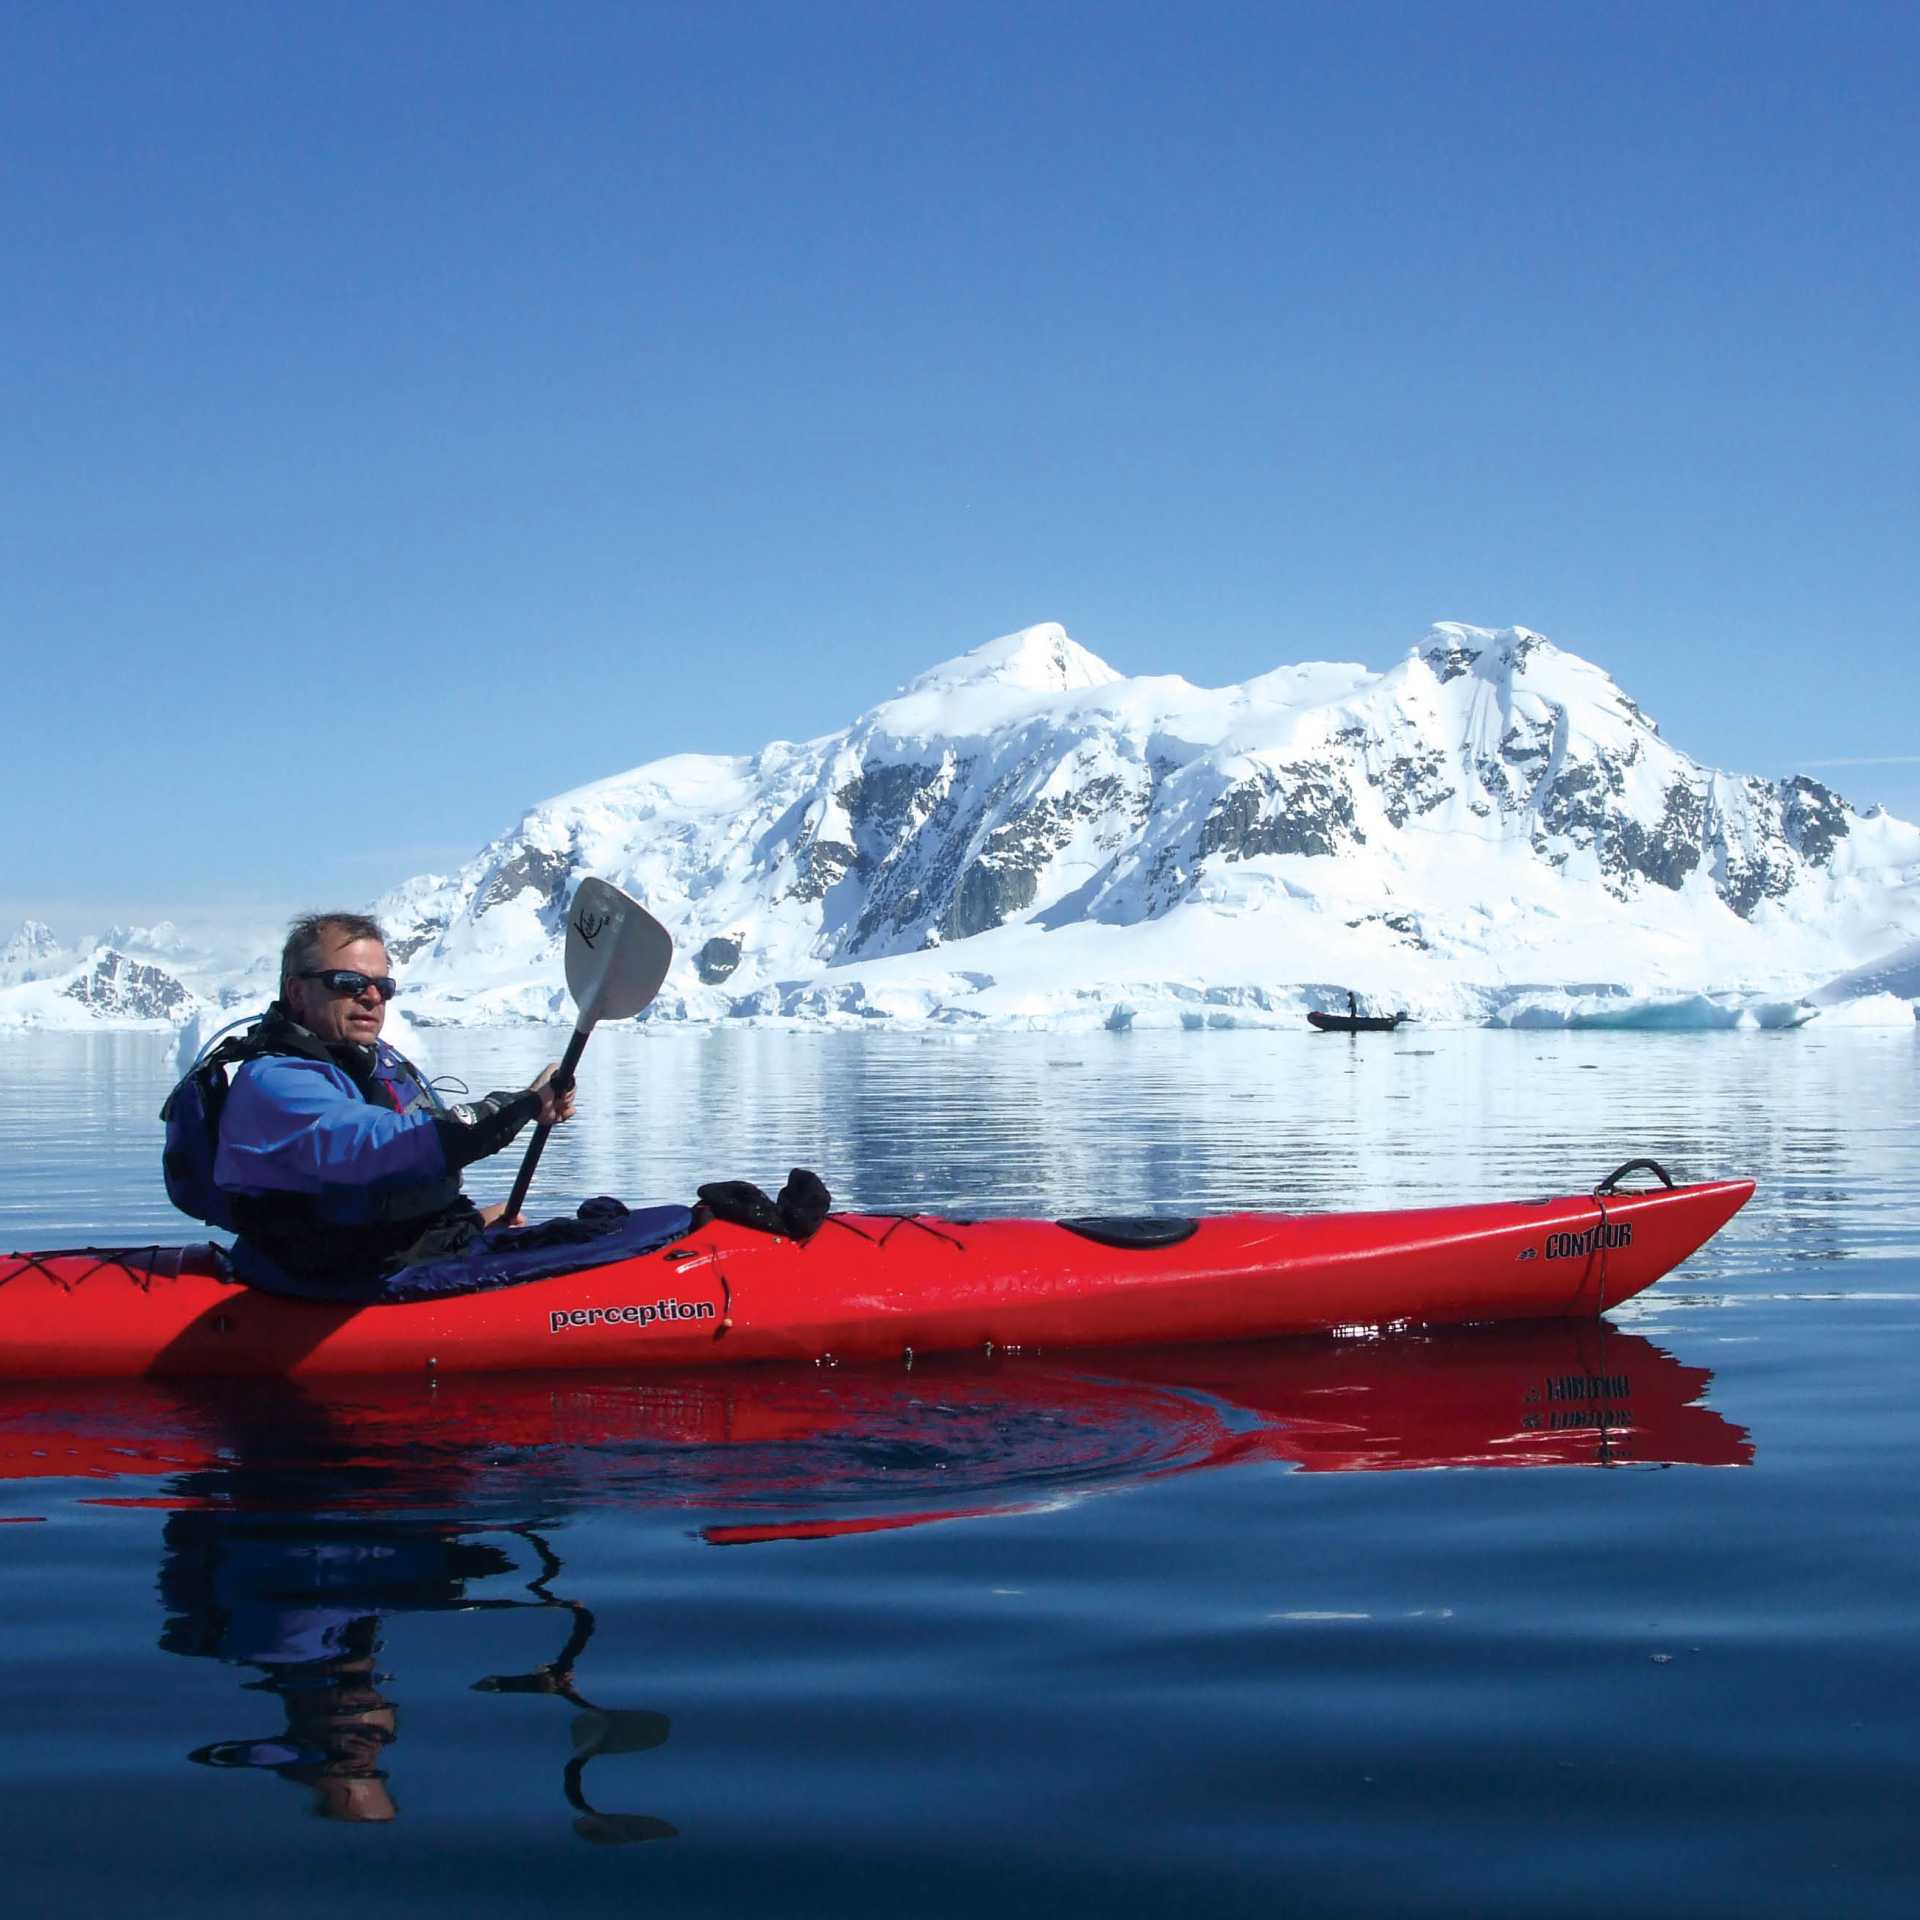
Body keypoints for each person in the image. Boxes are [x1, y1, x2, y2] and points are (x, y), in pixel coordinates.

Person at [210, 911, 575, 1297]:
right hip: (325, 1286)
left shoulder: (360, 1063)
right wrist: (523, 1106)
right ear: (297, 992)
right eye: (349, 983)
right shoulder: (277, 1083)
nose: (371, 997)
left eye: (382, 987)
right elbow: (392, 1144)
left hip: (385, 1260)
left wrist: (473, 1222)